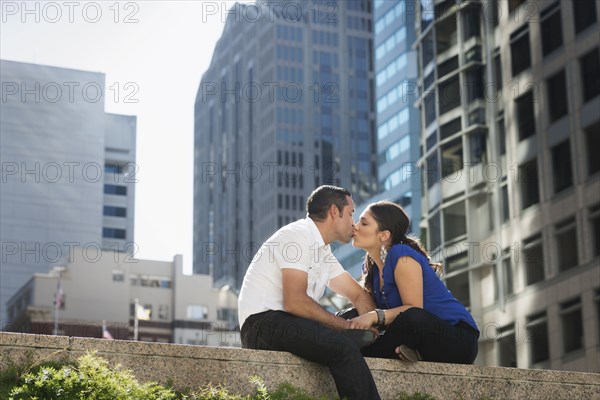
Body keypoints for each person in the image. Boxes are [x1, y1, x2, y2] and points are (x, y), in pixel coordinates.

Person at [238, 185, 381, 400]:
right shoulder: (297, 236)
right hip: (262, 325)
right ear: (334, 211)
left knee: (355, 322)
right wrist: (346, 327)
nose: (354, 223)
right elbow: (295, 302)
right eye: (351, 214)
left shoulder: (323, 252)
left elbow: (358, 295)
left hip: (289, 323)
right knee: (343, 347)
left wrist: (372, 323)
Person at [350, 200, 479, 364]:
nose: (355, 226)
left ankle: (364, 356)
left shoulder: (402, 255)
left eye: (364, 223)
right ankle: (407, 351)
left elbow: (414, 309)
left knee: (411, 317)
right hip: (419, 336)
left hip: (457, 340)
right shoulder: (372, 269)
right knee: (353, 315)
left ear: (384, 235)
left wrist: (375, 316)